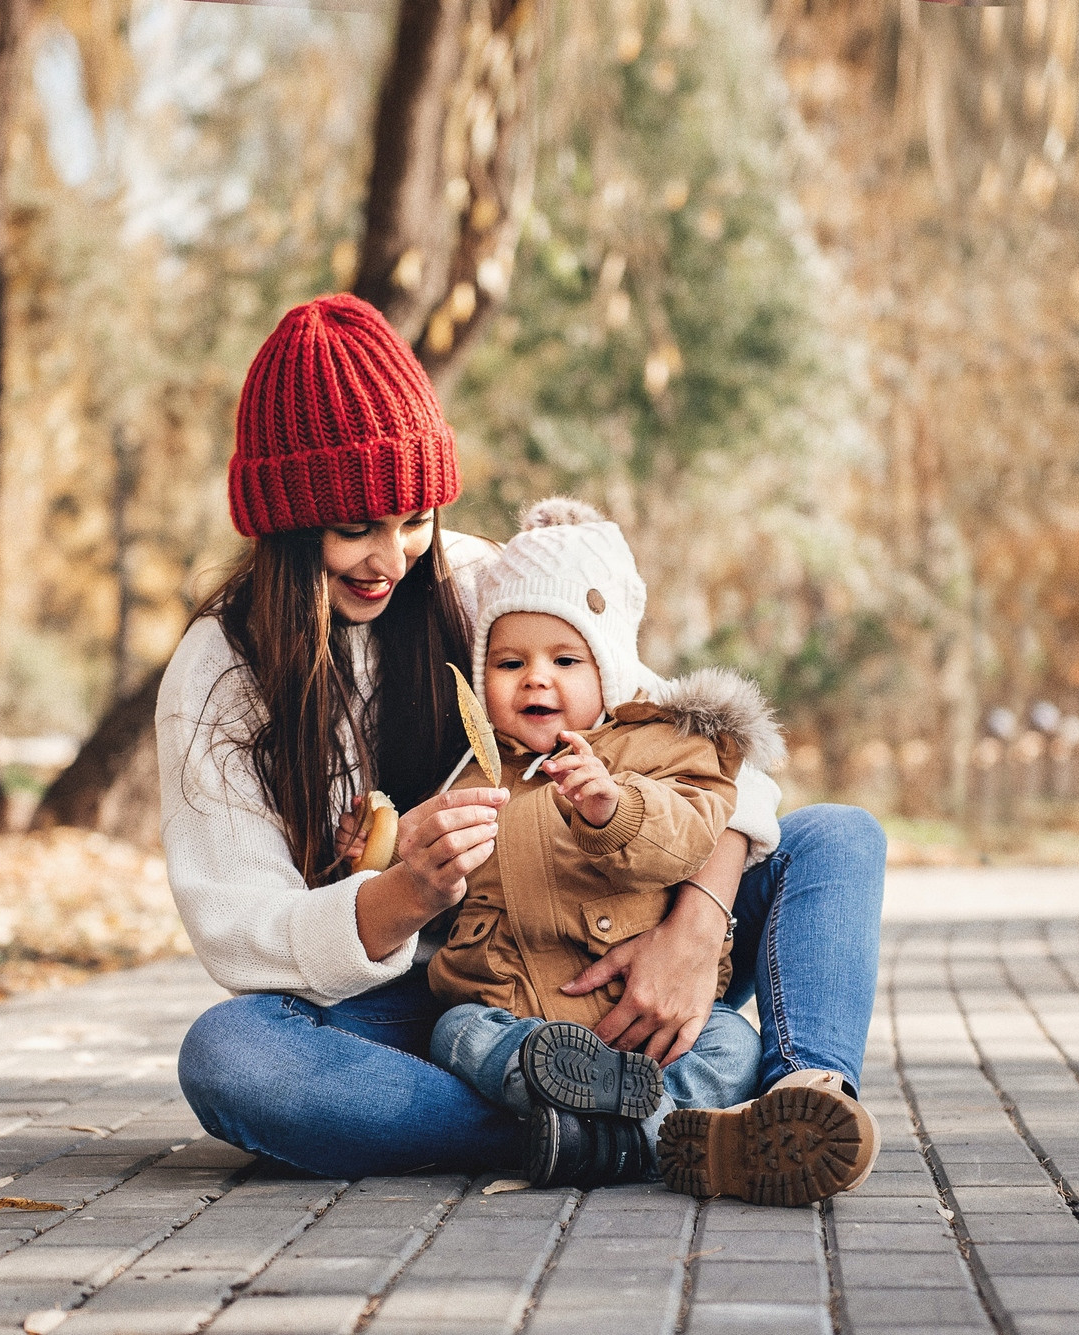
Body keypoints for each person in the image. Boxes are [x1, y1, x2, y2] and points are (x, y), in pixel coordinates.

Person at [163, 293, 886, 1204]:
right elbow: (239, 928)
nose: (392, 556)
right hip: (445, 998)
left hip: (606, 943)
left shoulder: (478, 583)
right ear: (287, 521)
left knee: (835, 838)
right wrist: (398, 897)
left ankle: (802, 1096)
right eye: (356, 529)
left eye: (413, 515)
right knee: (231, 1058)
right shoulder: (221, 677)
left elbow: (710, 756)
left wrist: (695, 932)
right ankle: (642, 1131)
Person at [415, 498, 773, 1191]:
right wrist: (393, 853)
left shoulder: (658, 748)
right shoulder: (471, 771)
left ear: (607, 665)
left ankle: (633, 1127)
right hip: (520, 1013)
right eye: (510, 661)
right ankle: (639, 1130)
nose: (536, 677)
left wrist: (614, 806)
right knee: (454, 1031)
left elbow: (691, 832)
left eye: (565, 658)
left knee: (734, 1044)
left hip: (641, 1025)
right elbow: (432, 895)